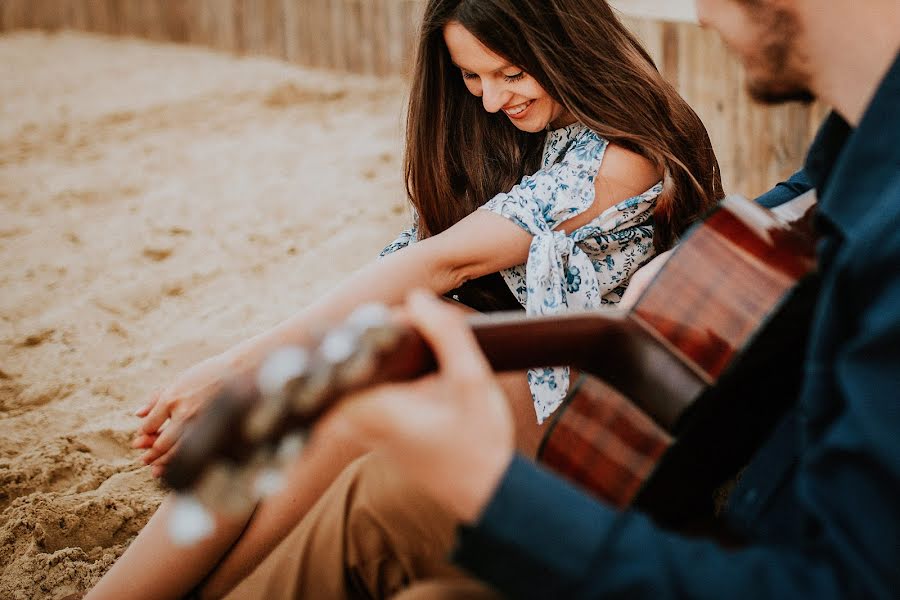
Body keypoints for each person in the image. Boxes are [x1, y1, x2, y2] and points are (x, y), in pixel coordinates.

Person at [208, 0, 900, 598]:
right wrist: (700, 256)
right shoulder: (855, 142)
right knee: (377, 497)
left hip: (724, 543)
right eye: (474, 77)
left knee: (398, 522)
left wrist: (492, 490)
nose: (701, 13)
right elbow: (800, 201)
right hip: (716, 500)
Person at [85, 1, 723, 598]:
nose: (495, 99)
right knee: (308, 399)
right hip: (515, 368)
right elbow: (406, 263)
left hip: (579, 416)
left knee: (328, 409)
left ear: (567, 47)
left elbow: (445, 260)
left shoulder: (621, 160)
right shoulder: (532, 127)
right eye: (472, 76)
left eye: (512, 72)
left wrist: (236, 366)